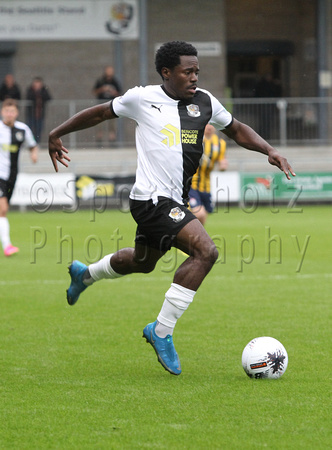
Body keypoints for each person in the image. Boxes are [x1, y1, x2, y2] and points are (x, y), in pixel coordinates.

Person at [49, 41, 295, 376]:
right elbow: (100, 112)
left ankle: (85, 274)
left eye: (197, 70)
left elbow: (235, 129)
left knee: (143, 262)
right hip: (151, 200)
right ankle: (161, 330)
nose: (194, 77)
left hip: (173, 200)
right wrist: (56, 132)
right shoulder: (141, 98)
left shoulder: (205, 102)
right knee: (206, 252)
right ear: (166, 72)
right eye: (187, 71)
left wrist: (269, 150)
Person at [0, 99, 38, 256]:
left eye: (12, 111)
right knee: (3, 209)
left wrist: (34, 154)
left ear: (16, 113)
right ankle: (7, 245)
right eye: (6, 111)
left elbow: (32, 145)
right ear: (2, 112)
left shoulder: (23, 129)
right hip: (0, 175)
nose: (9, 114)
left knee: (3, 211)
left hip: (12, 176)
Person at [189, 124, 228, 225]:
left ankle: (194, 239)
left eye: (212, 124)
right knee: (199, 213)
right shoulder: (195, 140)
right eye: (207, 123)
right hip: (191, 184)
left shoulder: (220, 144)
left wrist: (223, 165)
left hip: (206, 186)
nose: (210, 127)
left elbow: (221, 161)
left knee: (203, 217)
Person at [93, 66, 122, 144]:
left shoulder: (115, 82)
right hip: (101, 105)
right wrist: (103, 89)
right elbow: (94, 91)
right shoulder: (101, 81)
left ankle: (112, 141)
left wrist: (113, 92)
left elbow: (120, 94)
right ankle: (99, 141)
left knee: (112, 125)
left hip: (112, 106)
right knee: (99, 124)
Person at [26, 77, 52, 143]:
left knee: (39, 130)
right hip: (31, 113)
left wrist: (40, 92)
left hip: (40, 114)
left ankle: (37, 143)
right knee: (30, 129)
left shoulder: (44, 90)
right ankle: (30, 143)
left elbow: (49, 98)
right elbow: (28, 97)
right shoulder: (30, 90)